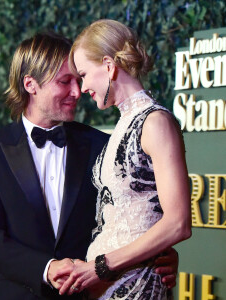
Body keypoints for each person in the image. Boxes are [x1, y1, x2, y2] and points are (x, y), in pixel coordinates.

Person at [0, 32, 179, 300]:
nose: (77, 92)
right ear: (31, 85)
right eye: (64, 82)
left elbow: (132, 214)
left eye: (78, 81)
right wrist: (46, 269)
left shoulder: (103, 144)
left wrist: (159, 257)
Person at [54, 20, 192, 299]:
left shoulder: (155, 122)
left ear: (108, 65)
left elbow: (178, 223)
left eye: (83, 75)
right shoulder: (122, 126)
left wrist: (101, 268)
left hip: (137, 287)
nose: (81, 89)